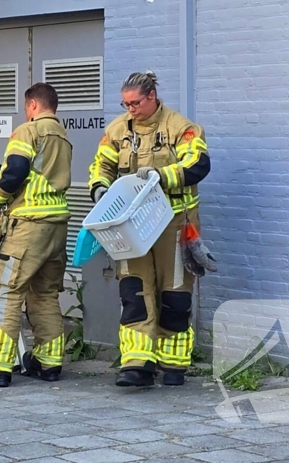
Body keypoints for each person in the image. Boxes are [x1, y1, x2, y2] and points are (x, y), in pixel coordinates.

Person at [88, 71, 216, 387]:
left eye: (135, 103)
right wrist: (100, 189)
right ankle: (136, 365)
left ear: (151, 97)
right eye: (125, 103)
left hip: (174, 222)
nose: (130, 109)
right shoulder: (118, 130)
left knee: (175, 295)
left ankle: (174, 366)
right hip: (131, 225)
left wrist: (161, 175)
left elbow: (198, 164)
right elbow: (101, 166)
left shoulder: (181, 128)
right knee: (134, 292)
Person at [0, 83, 73, 387]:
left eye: (27, 107)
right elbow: (38, 174)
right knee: (45, 294)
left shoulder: (27, 131)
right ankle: (48, 362)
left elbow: (17, 172)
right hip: (57, 227)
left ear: (33, 105)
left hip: (27, 227)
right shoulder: (63, 137)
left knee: (7, 293)